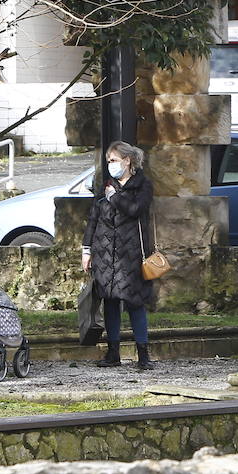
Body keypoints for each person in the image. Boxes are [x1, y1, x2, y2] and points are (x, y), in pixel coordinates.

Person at [83, 140, 156, 370]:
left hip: (131, 253)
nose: (110, 165)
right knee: (110, 303)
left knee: (135, 303)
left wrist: (115, 197)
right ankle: (112, 352)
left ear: (127, 160)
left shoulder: (142, 185)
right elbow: (93, 219)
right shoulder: (106, 185)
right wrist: (87, 250)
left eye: (113, 160)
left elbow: (135, 210)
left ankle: (143, 355)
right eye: (108, 161)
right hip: (105, 254)